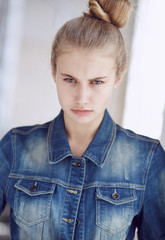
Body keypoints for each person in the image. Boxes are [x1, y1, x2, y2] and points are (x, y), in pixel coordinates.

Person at [0, 0, 165, 239]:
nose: (82, 98)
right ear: (53, 71)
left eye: (97, 82)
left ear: (118, 76)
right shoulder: (14, 147)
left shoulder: (147, 160)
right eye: (70, 80)